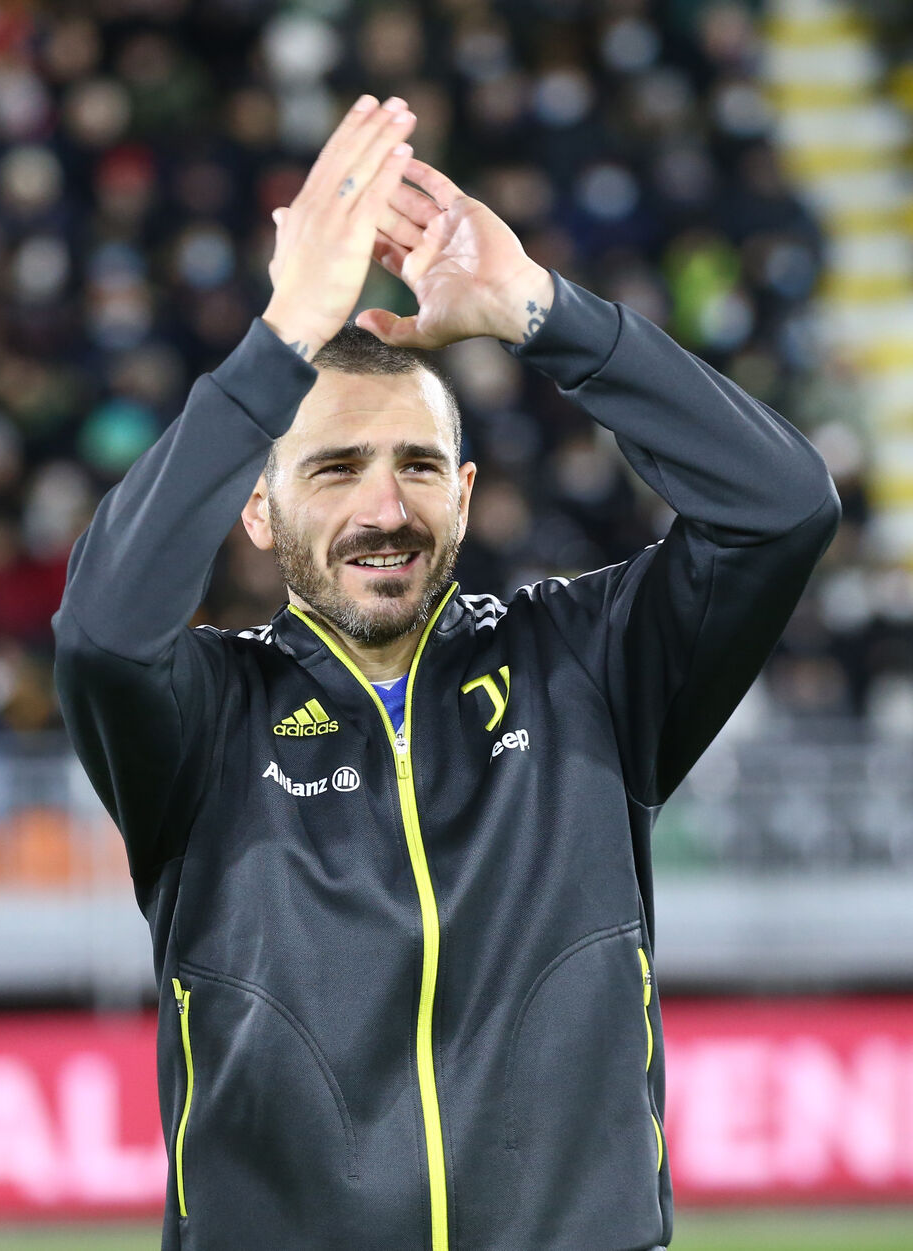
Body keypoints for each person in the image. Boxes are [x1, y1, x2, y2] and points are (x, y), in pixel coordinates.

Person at [53, 95, 840, 1251]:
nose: (385, 507)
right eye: (335, 469)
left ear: (464, 496)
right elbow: (102, 631)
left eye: (419, 465)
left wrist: (541, 312)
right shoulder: (203, 718)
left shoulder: (586, 666)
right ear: (258, 514)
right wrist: (279, 341)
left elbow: (780, 510)